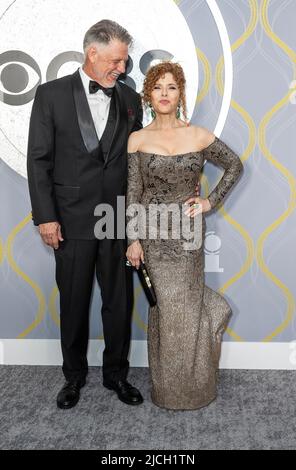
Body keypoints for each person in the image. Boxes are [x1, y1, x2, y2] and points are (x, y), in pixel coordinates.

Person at [27, 19, 144, 409]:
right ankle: (73, 378)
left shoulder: (131, 100)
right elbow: (39, 161)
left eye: (124, 62)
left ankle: (117, 376)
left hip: (116, 218)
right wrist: (45, 216)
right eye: (116, 60)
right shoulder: (51, 95)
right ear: (92, 53)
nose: (122, 69)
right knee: (74, 303)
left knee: (119, 304)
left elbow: (138, 162)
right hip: (70, 219)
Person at [126, 61, 243, 410]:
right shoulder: (138, 138)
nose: (165, 93)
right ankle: (167, 391)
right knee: (165, 311)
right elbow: (132, 191)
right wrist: (132, 239)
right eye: (158, 87)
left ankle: (196, 388)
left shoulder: (198, 135)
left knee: (188, 309)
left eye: (171, 87)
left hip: (188, 234)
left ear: (180, 94)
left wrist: (210, 202)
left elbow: (235, 165)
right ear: (149, 94)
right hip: (151, 234)